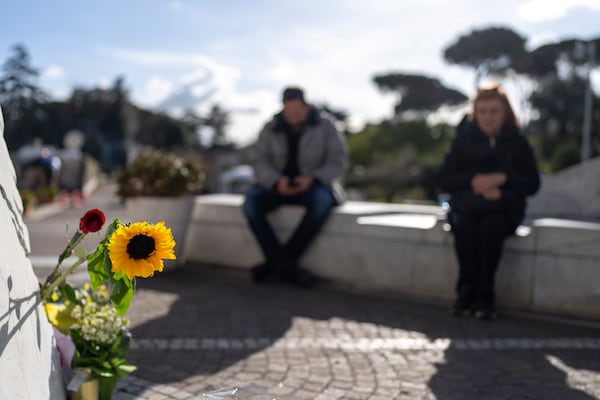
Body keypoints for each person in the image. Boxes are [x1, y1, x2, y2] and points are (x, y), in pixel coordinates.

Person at [437, 84, 540, 320]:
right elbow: (444, 179)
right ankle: (465, 294)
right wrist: (474, 182)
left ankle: (485, 297)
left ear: (505, 113)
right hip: (468, 207)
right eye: (482, 111)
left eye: (494, 111)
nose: (488, 117)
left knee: (491, 228)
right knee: (465, 227)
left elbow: (532, 183)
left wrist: (503, 181)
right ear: (475, 112)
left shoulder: (518, 142)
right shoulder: (463, 140)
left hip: (503, 208)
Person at [243, 86, 348, 286]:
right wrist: (275, 182)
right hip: (277, 186)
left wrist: (313, 178)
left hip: (314, 186)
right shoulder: (270, 127)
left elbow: (338, 161)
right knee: (251, 204)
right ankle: (286, 266)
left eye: (297, 113)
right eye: (289, 113)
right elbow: (259, 161)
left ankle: (277, 264)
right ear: (283, 108)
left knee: (321, 203)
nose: (293, 118)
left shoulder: (326, 126)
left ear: (307, 106)